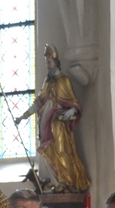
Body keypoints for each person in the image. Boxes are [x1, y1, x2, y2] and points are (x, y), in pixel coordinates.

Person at [15, 44, 90, 192]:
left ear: (56, 62)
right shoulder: (47, 82)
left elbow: (74, 102)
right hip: (46, 124)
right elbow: (38, 103)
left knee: (62, 151)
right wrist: (23, 117)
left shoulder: (65, 81)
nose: (47, 66)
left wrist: (71, 110)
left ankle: (67, 183)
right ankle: (57, 183)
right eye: (46, 63)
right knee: (49, 152)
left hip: (59, 124)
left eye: (49, 62)